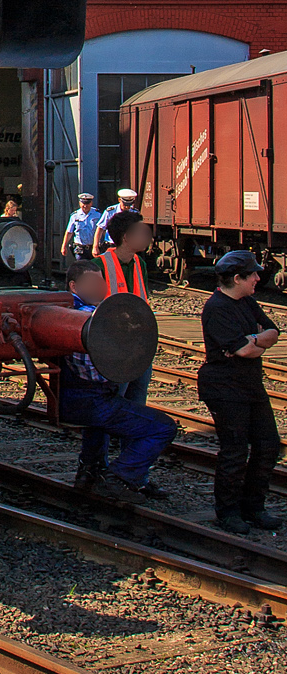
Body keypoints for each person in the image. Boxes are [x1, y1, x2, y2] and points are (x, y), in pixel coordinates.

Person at [58, 263, 177, 502]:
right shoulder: (87, 320)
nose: (101, 287)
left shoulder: (65, 310)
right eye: (94, 282)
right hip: (89, 400)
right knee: (163, 427)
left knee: (100, 420)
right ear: (74, 285)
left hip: (71, 398)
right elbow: (95, 375)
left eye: (101, 281)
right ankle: (117, 477)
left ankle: (89, 473)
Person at [197, 249, 284, 534]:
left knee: (268, 444)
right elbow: (243, 350)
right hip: (223, 386)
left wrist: (254, 339)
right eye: (254, 274)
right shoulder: (217, 308)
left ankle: (253, 506)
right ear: (238, 278)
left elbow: (273, 332)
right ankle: (229, 511)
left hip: (249, 384)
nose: (259, 278)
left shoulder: (247, 301)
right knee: (234, 450)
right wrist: (253, 344)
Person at [100, 210, 154, 408]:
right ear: (126, 237)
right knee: (116, 398)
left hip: (139, 343)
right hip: (114, 346)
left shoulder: (140, 264)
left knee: (137, 399)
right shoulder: (100, 265)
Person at [95, 188, 139, 253]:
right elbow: (100, 228)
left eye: (129, 205)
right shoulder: (110, 211)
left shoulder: (135, 213)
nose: (127, 207)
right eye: (125, 204)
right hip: (111, 245)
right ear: (119, 200)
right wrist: (95, 247)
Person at [61, 193, 99, 266]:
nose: (85, 206)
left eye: (87, 203)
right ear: (79, 203)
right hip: (80, 249)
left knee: (94, 269)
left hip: (93, 248)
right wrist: (64, 245)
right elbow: (69, 232)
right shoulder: (75, 216)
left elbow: (101, 230)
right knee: (81, 269)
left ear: (91, 203)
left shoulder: (97, 214)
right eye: (83, 203)